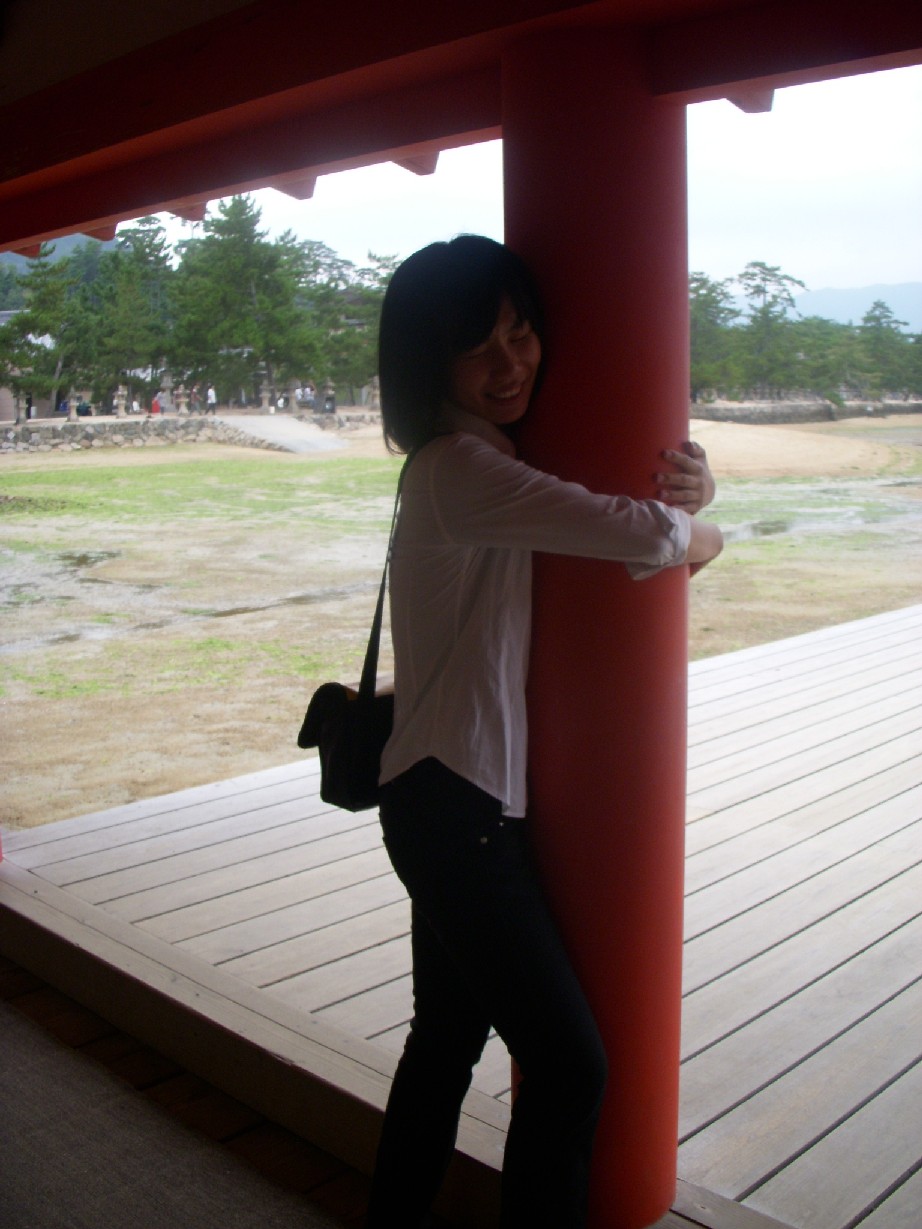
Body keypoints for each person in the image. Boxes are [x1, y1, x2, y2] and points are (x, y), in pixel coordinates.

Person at [366, 235, 722, 1229]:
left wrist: (686, 502)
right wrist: (707, 521)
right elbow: (640, 532)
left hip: (438, 795)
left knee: (444, 1041)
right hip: (457, 808)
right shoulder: (460, 470)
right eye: (476, 345)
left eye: (520, 332)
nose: (510, 362)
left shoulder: (466, 466)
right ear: (427, 363)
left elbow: (630, 530)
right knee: (569, 1067)